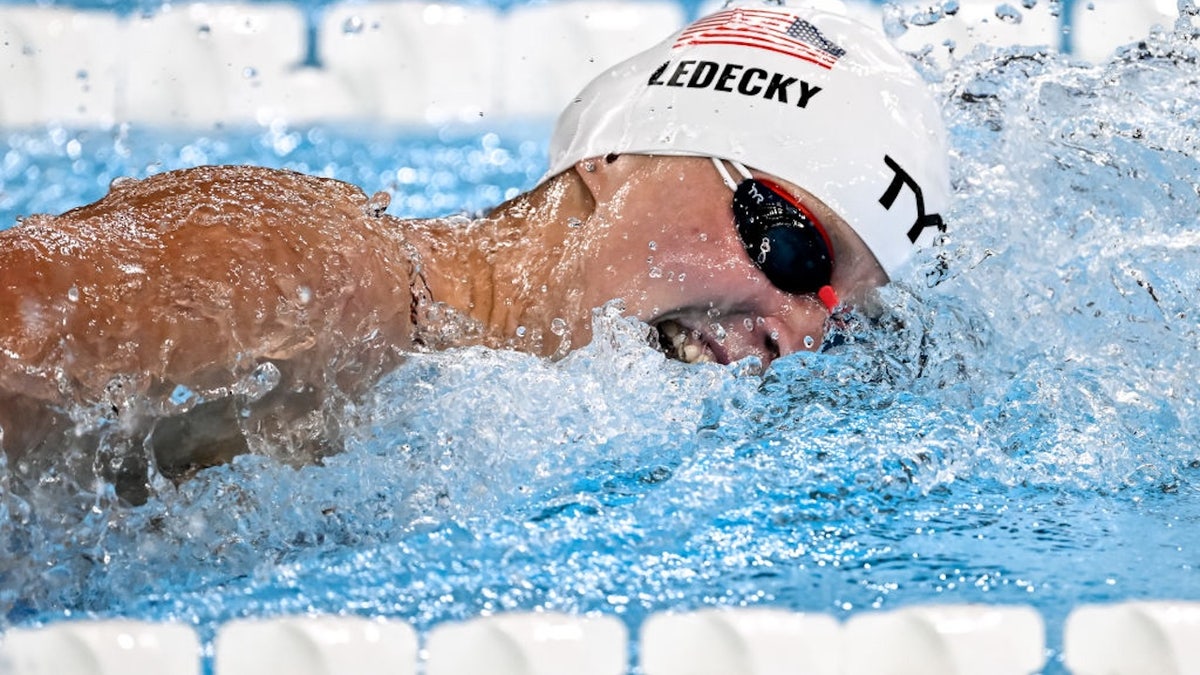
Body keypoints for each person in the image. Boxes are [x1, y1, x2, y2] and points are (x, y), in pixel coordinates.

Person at [0, 3, 950, 499]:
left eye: (839, 317)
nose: (796, 335)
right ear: (619, 157)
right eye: (789, 245)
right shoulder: (331, 275)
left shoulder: (499, 434)